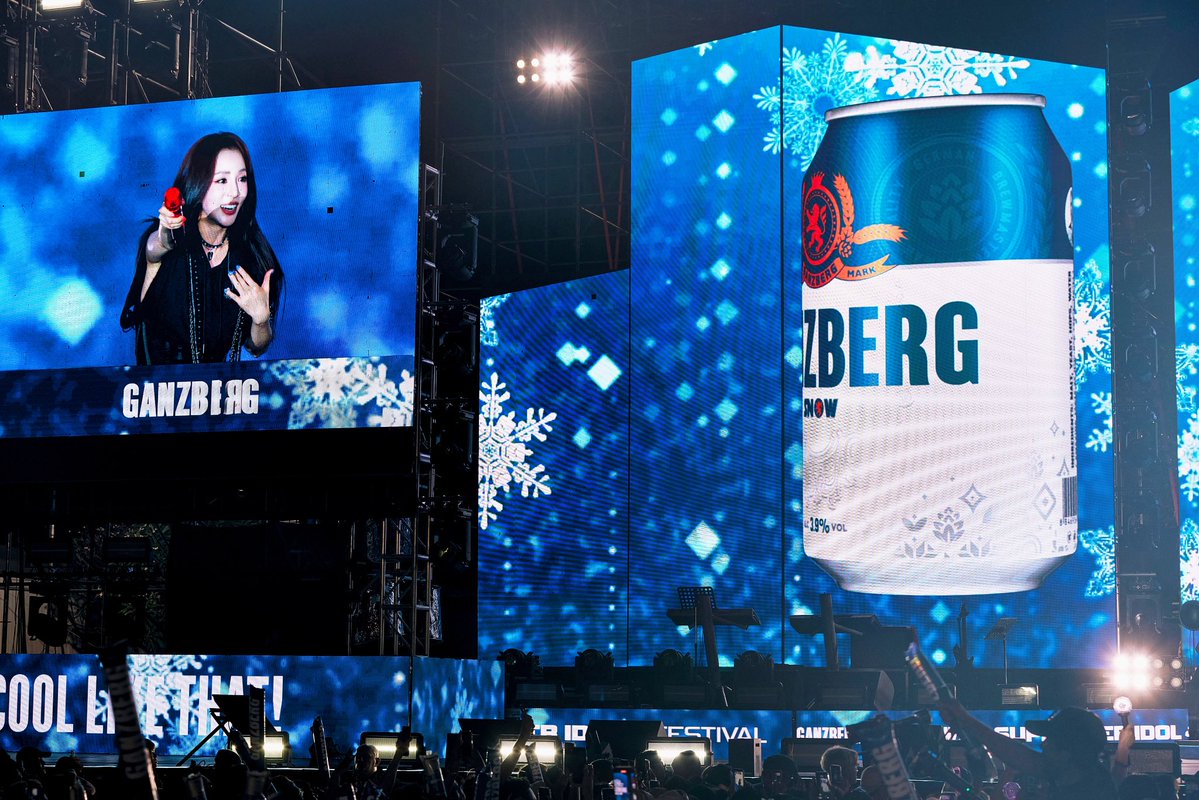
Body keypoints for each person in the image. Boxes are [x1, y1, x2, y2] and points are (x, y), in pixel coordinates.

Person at [121, 131, 284, 364]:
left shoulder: (251, 256)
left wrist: (260, 320)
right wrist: (167, 235)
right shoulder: (165, 240)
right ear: (198, 183)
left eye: (242, 178)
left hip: (213, 395)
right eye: (222, 180)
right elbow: (155, 248)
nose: (235, 192)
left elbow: (257, 346)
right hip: (156, 394)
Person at [938, 699, 1117, 799]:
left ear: (1065, 755)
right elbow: (1017, 755)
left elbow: (1022, 757)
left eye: (1049, 741)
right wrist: (964, 720)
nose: (1042, 745)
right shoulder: (1087, 778)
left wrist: (964, 719)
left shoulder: (1087, 793)